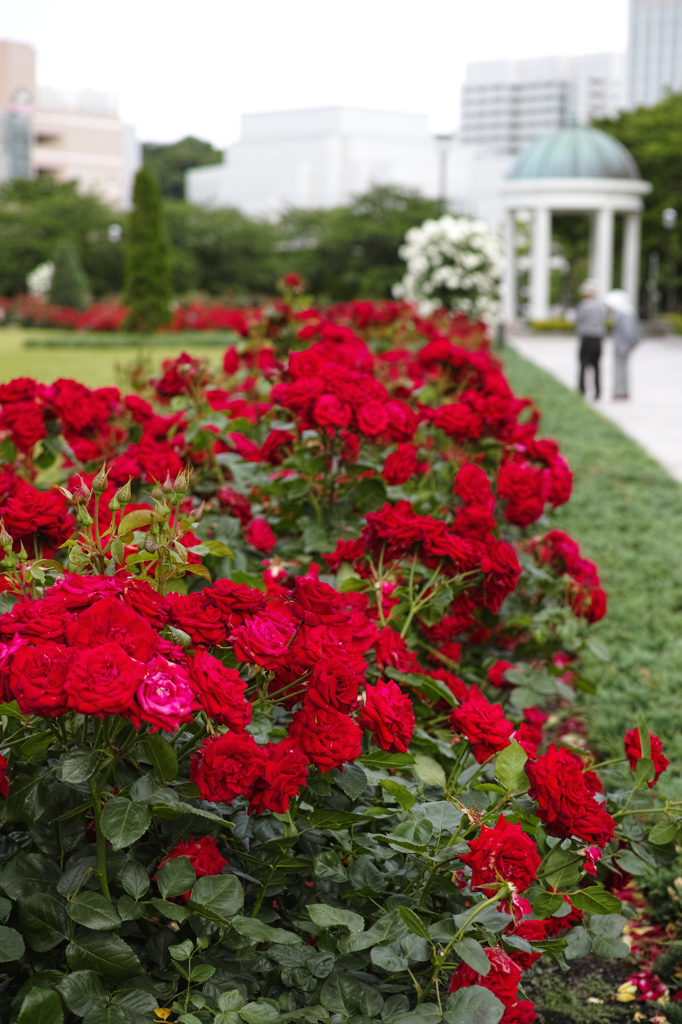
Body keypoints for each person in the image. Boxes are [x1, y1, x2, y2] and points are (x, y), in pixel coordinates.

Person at [575, 280, 608, 399]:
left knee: (583, 365)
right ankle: (598, 392)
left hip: (587, 338)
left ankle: (581, 390)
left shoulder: (584, 305)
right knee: (597, 366)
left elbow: (578, 319)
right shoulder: (601, 305)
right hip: (598, 339)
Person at [606, 288, 640, 400]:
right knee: (623, 369)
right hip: (625, 346)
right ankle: (623, 391)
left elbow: (627, 331)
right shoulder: (628, 311)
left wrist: (628, 344)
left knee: (619, 369)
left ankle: (620, 392)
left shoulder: (622, 314)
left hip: (622, 346)